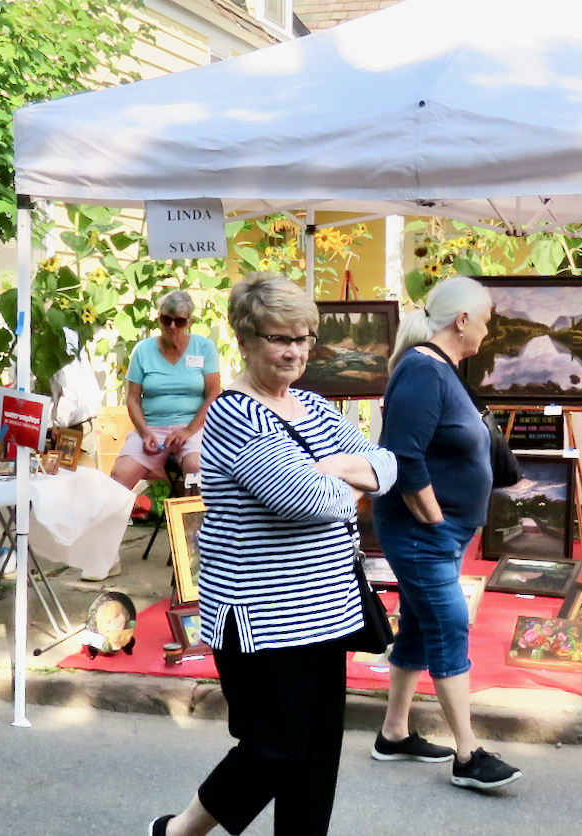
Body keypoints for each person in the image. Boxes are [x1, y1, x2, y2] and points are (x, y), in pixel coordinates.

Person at [148, 273, 397, 836]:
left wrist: (335, 469)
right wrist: (348, 481)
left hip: (331, 607)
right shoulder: (234, 414)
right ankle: (180, 831)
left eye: (303, 338)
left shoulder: (312, 404)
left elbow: (387, 465)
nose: (294, 351)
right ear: (244, 339)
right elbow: (304, 500)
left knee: (317, 754)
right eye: (279, 338)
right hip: (261, 614)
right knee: (273, 749)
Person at [371, 275, 522, 790]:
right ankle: (468, 753)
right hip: (421, 531)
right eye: (486, 319)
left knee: (418, 623)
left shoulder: (441, 369)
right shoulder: (422, 370)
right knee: (449, 625)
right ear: (462, 320)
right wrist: (435, 520)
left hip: (441, 531)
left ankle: (393, 734)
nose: (488, 329)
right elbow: (403, 456)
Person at [101, 290, 220, 580]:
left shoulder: (204, 348)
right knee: (119, 475)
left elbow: (213, 394)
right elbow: (132, 398)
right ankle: (106, 556)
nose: (173, 327)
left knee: (197, 469)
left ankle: (198, 557)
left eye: (180, 321)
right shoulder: (144, 350)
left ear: (190, 321)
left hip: (193, 427)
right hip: (151, 427)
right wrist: (144, 432)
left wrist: (189, 430)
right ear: (159, 319)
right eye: (167, 320)